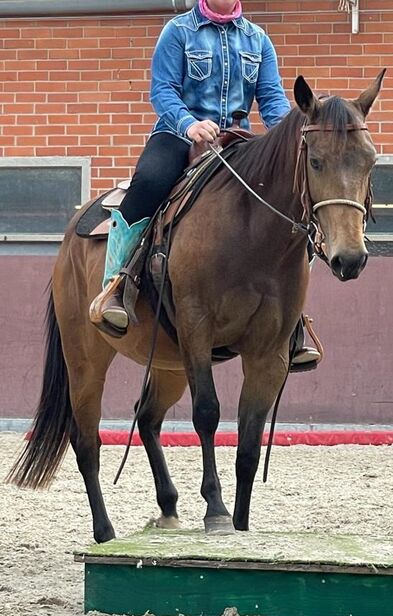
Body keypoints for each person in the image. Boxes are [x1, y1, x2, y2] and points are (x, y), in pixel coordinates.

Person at [89, 0, 321, 367]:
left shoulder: (258, 39)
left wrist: (285, 138)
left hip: (238, 143)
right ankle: (118, 286)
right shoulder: (178, 31)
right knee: (148, 183)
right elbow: (162, 91)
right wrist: (190, 124)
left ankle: (292, 322)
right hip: (179, 135)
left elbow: (273, 99)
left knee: (293, 201)